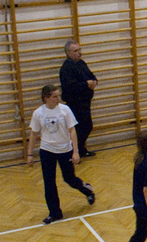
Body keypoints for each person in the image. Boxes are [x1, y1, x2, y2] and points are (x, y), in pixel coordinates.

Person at [26, 84, 95, 224]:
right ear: (46, 98)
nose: (58, 99)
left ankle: (88, 191)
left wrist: (76, 152)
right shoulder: (38, 113)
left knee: (69, 179)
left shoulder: (65, 110)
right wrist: (30, 154)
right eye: (55, 96)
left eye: (58, 96)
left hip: (65, 150)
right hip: (47, 151)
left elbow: (72, 131)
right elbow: (33, 134)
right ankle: (55, 212)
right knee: (49, 183)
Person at [59, 40, 98, 157]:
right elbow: (71, 87)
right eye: (76, 51)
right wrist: (86, 84)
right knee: (81, 127)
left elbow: (91, 75)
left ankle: (80, 150)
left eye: (79, 50)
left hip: (85, 102)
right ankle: (74, 152)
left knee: (86, 126)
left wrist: (94, 81)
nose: (79, 53)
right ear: (68, 53)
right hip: (75, 103)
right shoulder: (66, 68)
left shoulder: (81, 63)